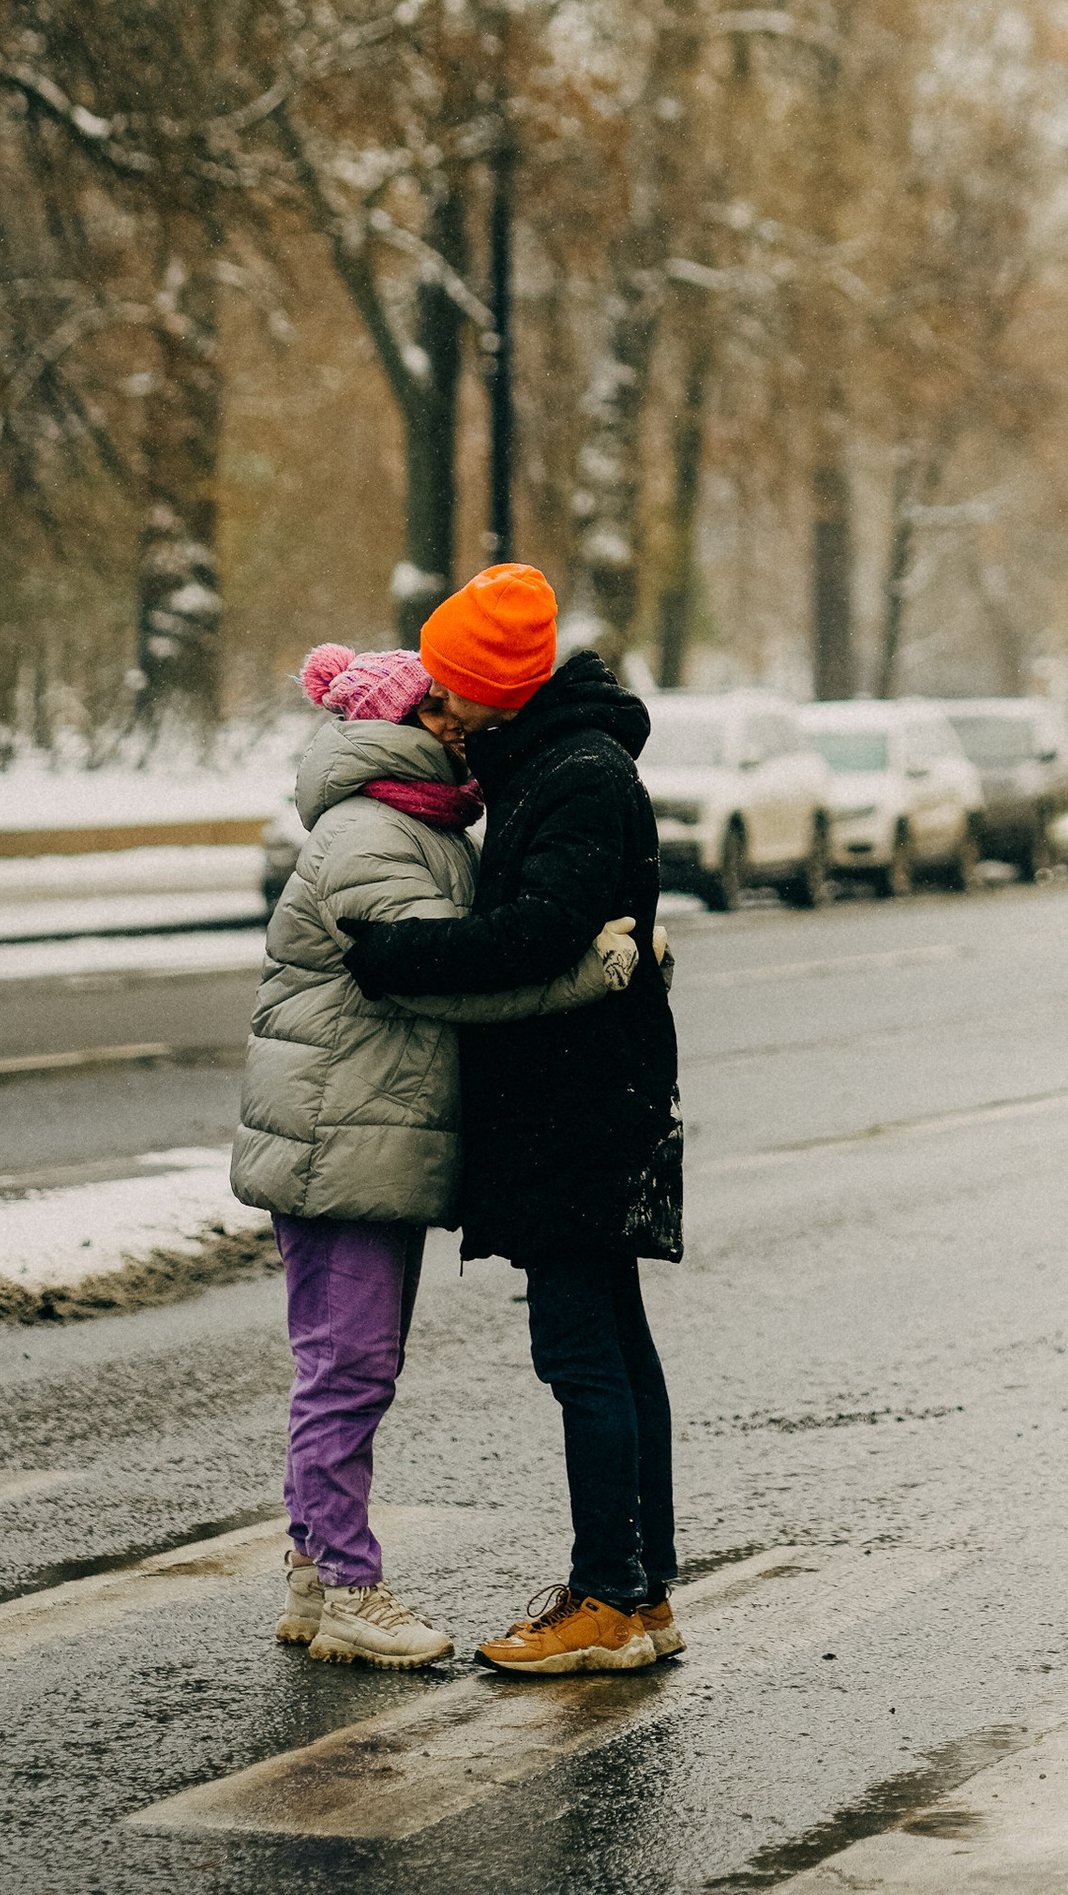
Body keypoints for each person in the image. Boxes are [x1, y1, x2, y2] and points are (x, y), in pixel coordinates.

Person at [232, 639, 637, 1666]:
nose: (462, 725)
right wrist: (587, 973)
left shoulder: (420, 825)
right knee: (350, 1367)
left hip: (364, 1129)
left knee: (345, 1362)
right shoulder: (373, 832)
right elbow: (429, 978)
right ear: (391, 731)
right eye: (440, 713)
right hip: (341, 1135)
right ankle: (350, 1586)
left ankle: (316, 1573)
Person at [341, 563, 684, 1680]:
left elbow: (539, 934)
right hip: (584, 1093)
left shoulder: (576, 775)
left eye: (448, 689)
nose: (435, 707)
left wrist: (393, 953)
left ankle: (606, 1597)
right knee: (614, 1348)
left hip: (578, 1100)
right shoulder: (550, 763)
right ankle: (640, 1594)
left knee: (582, 1351)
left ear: (497, 690)